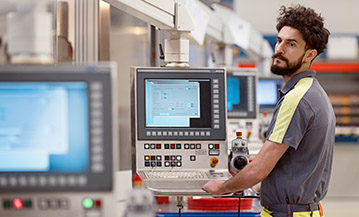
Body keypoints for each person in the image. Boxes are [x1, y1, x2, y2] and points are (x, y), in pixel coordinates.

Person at [202, 4, 336, 217]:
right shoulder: (313, 92)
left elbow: (258, 169)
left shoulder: (296, 99)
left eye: (291, 44)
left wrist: (222, 187)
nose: (280, 49)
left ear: (310, 54)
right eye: (279, 40)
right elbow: (292, 163)